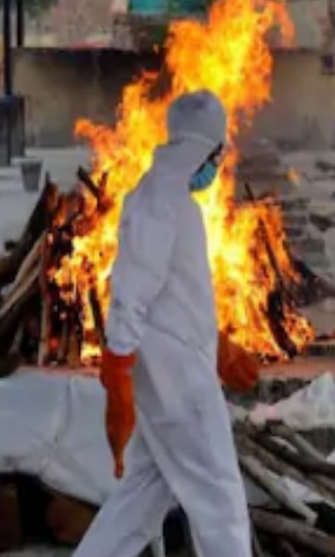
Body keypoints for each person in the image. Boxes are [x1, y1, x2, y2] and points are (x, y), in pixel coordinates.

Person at [74, 90, 260, 557]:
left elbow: (173, 293)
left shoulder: (171, 198)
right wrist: (117, 366)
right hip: (177, 379)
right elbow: (133, 287)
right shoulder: (161, 201)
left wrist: (217, 347)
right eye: (218, 155)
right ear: (205, 149)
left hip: (172, 365)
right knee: (221, 501)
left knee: (143, 495)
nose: (217, 166)